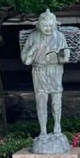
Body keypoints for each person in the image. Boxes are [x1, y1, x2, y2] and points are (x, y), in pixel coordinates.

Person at [20, 10, 70, 142]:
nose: (48, 29)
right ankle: (43, 130)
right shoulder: (33, 37)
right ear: (39, 25)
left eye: (50, 26)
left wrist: (62, 54)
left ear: (54, 25)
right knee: (41, 102)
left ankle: (57, 126)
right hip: (39, 71)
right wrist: (33, 50)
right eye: (45, 26)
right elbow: (26, 60)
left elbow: (66, 56)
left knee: (56, 102)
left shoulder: (60, 36)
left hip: (55, 70)